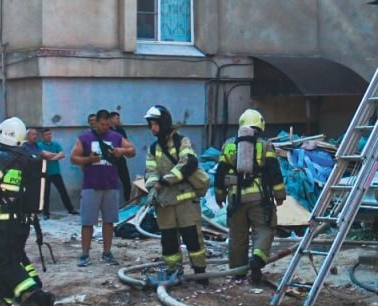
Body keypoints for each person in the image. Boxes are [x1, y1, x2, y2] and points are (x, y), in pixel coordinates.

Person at [0, 117, 55, 306]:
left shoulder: (1, 157)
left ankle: (39, 297)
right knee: (11, 260)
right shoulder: (26, 158)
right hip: (23, 222)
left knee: (5, 264)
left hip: (3, 222)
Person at [215, 109, 287, 284]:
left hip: (235, 199)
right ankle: (257, 259)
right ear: (260, 126)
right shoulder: (265, 145)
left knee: (237, 237)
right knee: (263, 229)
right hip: (259, 199)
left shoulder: (229, 146)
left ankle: (238, 273)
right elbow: (274, 171)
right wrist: (279, 195)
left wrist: (219, 195)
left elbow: (220, 173)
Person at [144, 104, 209, 285]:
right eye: (150, 125)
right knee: (168, 241)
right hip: (164, 202)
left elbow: (189, 162)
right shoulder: (153, 148)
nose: (152, 128)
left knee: (192, 238)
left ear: (163, 122)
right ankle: (174, 272)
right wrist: (152, 187)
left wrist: (165, 180)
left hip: (185, 201)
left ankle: (200, 273)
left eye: (154, 124)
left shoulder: (182, 141)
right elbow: (150, 171)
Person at [70, 110, 125, 267]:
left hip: (111, 185)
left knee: (109, 221)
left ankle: (107, 253)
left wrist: (122, 151)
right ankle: (85, 254)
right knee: (87, 222)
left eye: (108, 124)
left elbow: (132, 151)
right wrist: (89, 159)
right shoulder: (84, 138)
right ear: (96, 122)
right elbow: (73, 158)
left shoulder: (116, 137)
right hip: (91, 185)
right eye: (102, 124)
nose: (105, 127)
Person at [38, 127, 75, 217]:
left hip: (55, 172)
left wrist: (52, 158)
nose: (49, 136)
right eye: (46, 135)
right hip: (45, 172)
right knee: (45, 194)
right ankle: (46, 212)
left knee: (63, 191)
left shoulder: (55, 144)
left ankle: (70, 209)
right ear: (42, 136)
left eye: (50, 134)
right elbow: (44, 154)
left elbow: (62, 154)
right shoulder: (39, 145)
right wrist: (56, 155)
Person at [107, 108, 134, 202]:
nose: (119, 120)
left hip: (121, 158)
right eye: (117, 118)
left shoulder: (121, 130)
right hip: (110, 160)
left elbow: (127, 143)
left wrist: (124, 150)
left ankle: (129, 202)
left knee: (126, 182)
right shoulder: (106, 130)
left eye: (119, 118)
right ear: (110, 119)